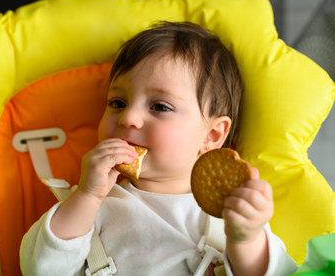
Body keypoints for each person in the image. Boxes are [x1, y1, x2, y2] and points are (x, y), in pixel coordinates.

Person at [20, 21, 298, 275]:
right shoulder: (92, 205)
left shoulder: (230, 213)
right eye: (117, 103)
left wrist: (246, 239)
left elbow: (280, 272)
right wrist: (87, 195)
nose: (128, 118)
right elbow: (40, 269)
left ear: (212, 135)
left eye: (160, 107)